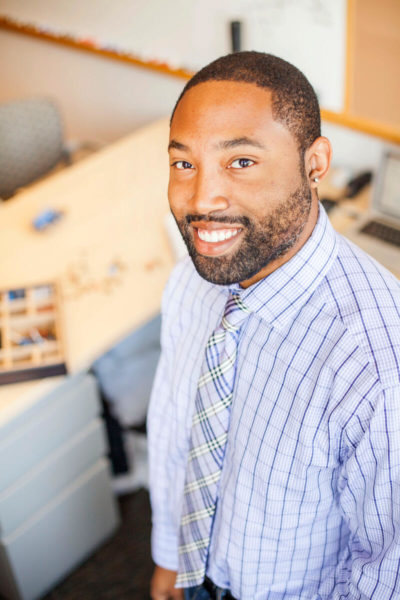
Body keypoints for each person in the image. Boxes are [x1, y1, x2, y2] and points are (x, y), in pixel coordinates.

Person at [147, 52, 400, 600]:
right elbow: (174, 432)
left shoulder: (377, 360)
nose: (201, 200)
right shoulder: (193, 281)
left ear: (315, 164)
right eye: (183, 163)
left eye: (240, 162)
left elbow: (383, 571)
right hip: (196, 570)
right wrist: (172, 557)